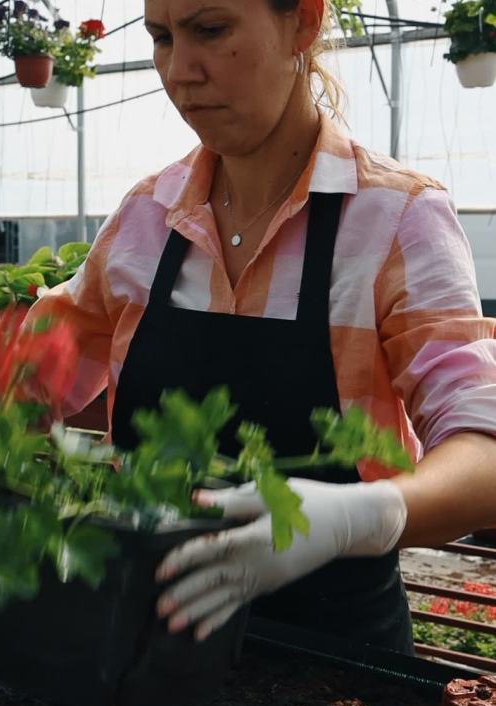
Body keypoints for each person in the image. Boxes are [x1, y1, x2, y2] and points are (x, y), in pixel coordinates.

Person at [27, 0, 496, 654]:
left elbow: (484, 453)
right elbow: (26, 384)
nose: (179, 70)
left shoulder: (397, 218)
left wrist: (363, 517)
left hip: (333, 676)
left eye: (210, 30)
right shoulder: (146, 218)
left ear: (303, 20)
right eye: (161, 38)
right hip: (147, 651)